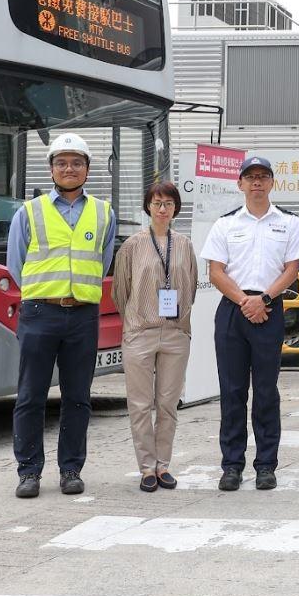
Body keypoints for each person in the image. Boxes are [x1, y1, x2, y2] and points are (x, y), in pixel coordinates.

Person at [8, 133, 116, 499]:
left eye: (76, 162)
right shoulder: (29, 212)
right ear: (51, 168)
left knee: (78, 397)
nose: (69, 169)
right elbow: (16, 264)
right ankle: (29, 472)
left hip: (83, 315)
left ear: (87, 169)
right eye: (62, 162)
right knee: (31, 396)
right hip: (39, 312)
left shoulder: (103, 213)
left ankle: (71, 469)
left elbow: (101, 261)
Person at [200, 155, 299, 491]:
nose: (257, 182)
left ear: (272, 183)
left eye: (263, 176)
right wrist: (245, 301)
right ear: (240, 184)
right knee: (232, 392)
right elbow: (215, 271)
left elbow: (291, 269)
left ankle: (266, 465)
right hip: (233, 310)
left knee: (266, 392)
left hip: (270, 309)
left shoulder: (288, 223)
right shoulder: (225, 224)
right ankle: (232, 465)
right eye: (251, 177)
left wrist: (264, 300)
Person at [112, 181, 198, 491]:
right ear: (148, 206)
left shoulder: (185, 244)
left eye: (169, 204)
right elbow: (120, 291)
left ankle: (163, 465)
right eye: (157, 203)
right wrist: (135, 320)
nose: (162, 209)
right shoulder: (133, 245)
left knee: (167, 403)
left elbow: (191, 287)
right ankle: (146, 467)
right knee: (139, 403)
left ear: (176, 208)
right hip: (140, 332)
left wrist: (179, 321)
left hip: (175, 334)